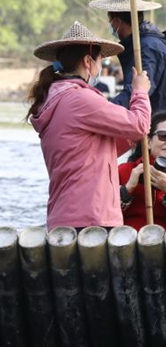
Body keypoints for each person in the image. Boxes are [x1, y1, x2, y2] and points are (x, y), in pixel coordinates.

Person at [28, 21, 151, 230]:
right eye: (100, 60)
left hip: (64, 216)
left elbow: (97, 150)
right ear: (88, 61)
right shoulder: (80, 99)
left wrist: (128, 134)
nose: (100, 66)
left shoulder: (54, 98)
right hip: (90, 217)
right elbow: (139, 125)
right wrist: (139, 91)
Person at [89, 0, 166, 122]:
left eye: (110, 19)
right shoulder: (141, 45)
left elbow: (138, 92)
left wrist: (101, 112)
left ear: (117, 21)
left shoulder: (148, 48)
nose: (110, 24)